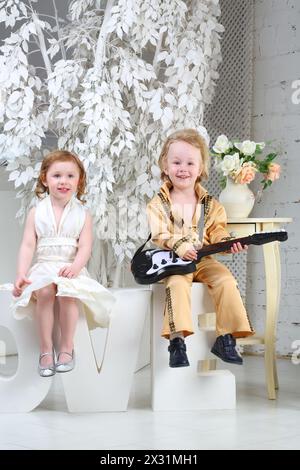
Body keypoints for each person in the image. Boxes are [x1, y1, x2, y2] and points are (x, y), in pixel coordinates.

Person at [147, 129, 254, 368]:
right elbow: (159, 232)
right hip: (175, 262)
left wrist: (228, 243)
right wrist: (179, 244)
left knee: (226, 280)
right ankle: (177, 342)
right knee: (176, 285)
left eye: (189, 163)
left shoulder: (211, 204)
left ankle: (226, 338)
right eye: (176, 162)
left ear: (201, 168)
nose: (182, 168)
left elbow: (217, 231)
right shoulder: (159, 203)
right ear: (165, 166)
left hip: (203, 260)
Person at [10, 150, 115, 377]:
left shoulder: (83, 214)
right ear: (45, 179)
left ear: (79, 181)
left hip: (70, 266)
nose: (63, 181)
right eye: (57, 175)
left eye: (70, 176)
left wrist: (76, 266)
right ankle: (46, 350)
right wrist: (21, 273)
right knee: (46, 292)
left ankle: (67, 347)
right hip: (45, 266)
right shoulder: (36, 213)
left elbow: (86, 246)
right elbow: (28, 245)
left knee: (67, 293)